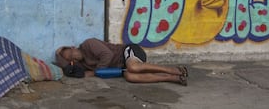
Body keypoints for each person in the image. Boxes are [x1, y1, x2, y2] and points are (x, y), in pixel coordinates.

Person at [55, 38, 188, 85]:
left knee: (133, 67)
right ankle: (171, 78)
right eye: (71, 59)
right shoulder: (81, 64)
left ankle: (174, 69)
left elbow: (107, 54)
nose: (74, 58)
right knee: (131, 76)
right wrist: (58, 55)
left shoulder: (88, 44)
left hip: (129, 51)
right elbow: (67, 69)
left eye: (72, 54)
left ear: (73, 47)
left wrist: (96, 71)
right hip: (122, 66)